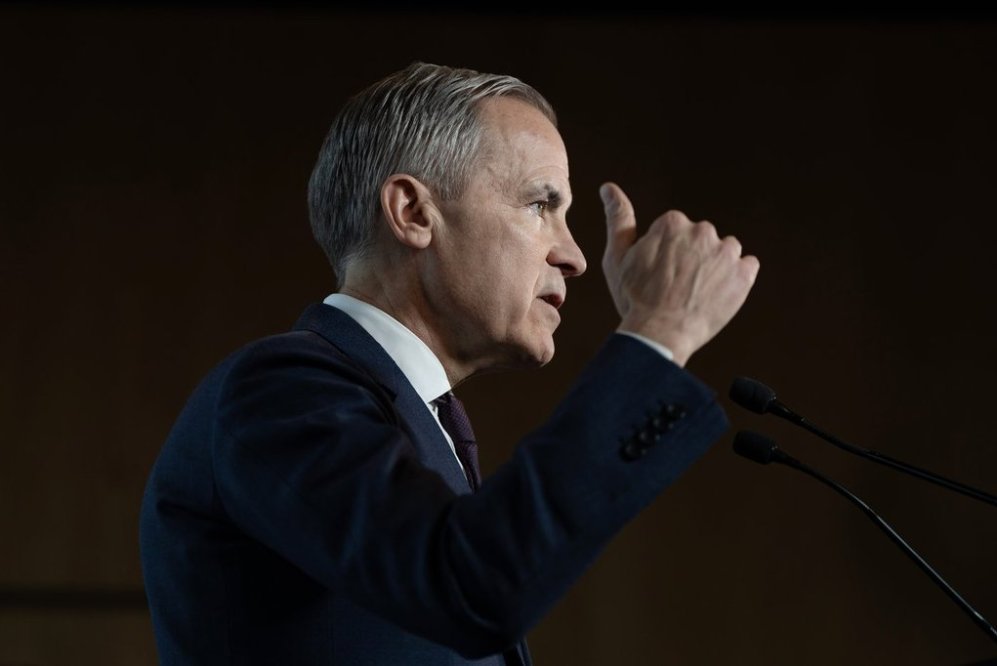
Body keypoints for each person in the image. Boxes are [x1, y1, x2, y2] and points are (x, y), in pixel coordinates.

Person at [139, 61, 759, 665]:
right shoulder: (277, 393)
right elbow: (468, 585)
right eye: (540, 205)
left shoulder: (411, 417)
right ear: (413, 213)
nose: (573, 255)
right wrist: (659, 334)